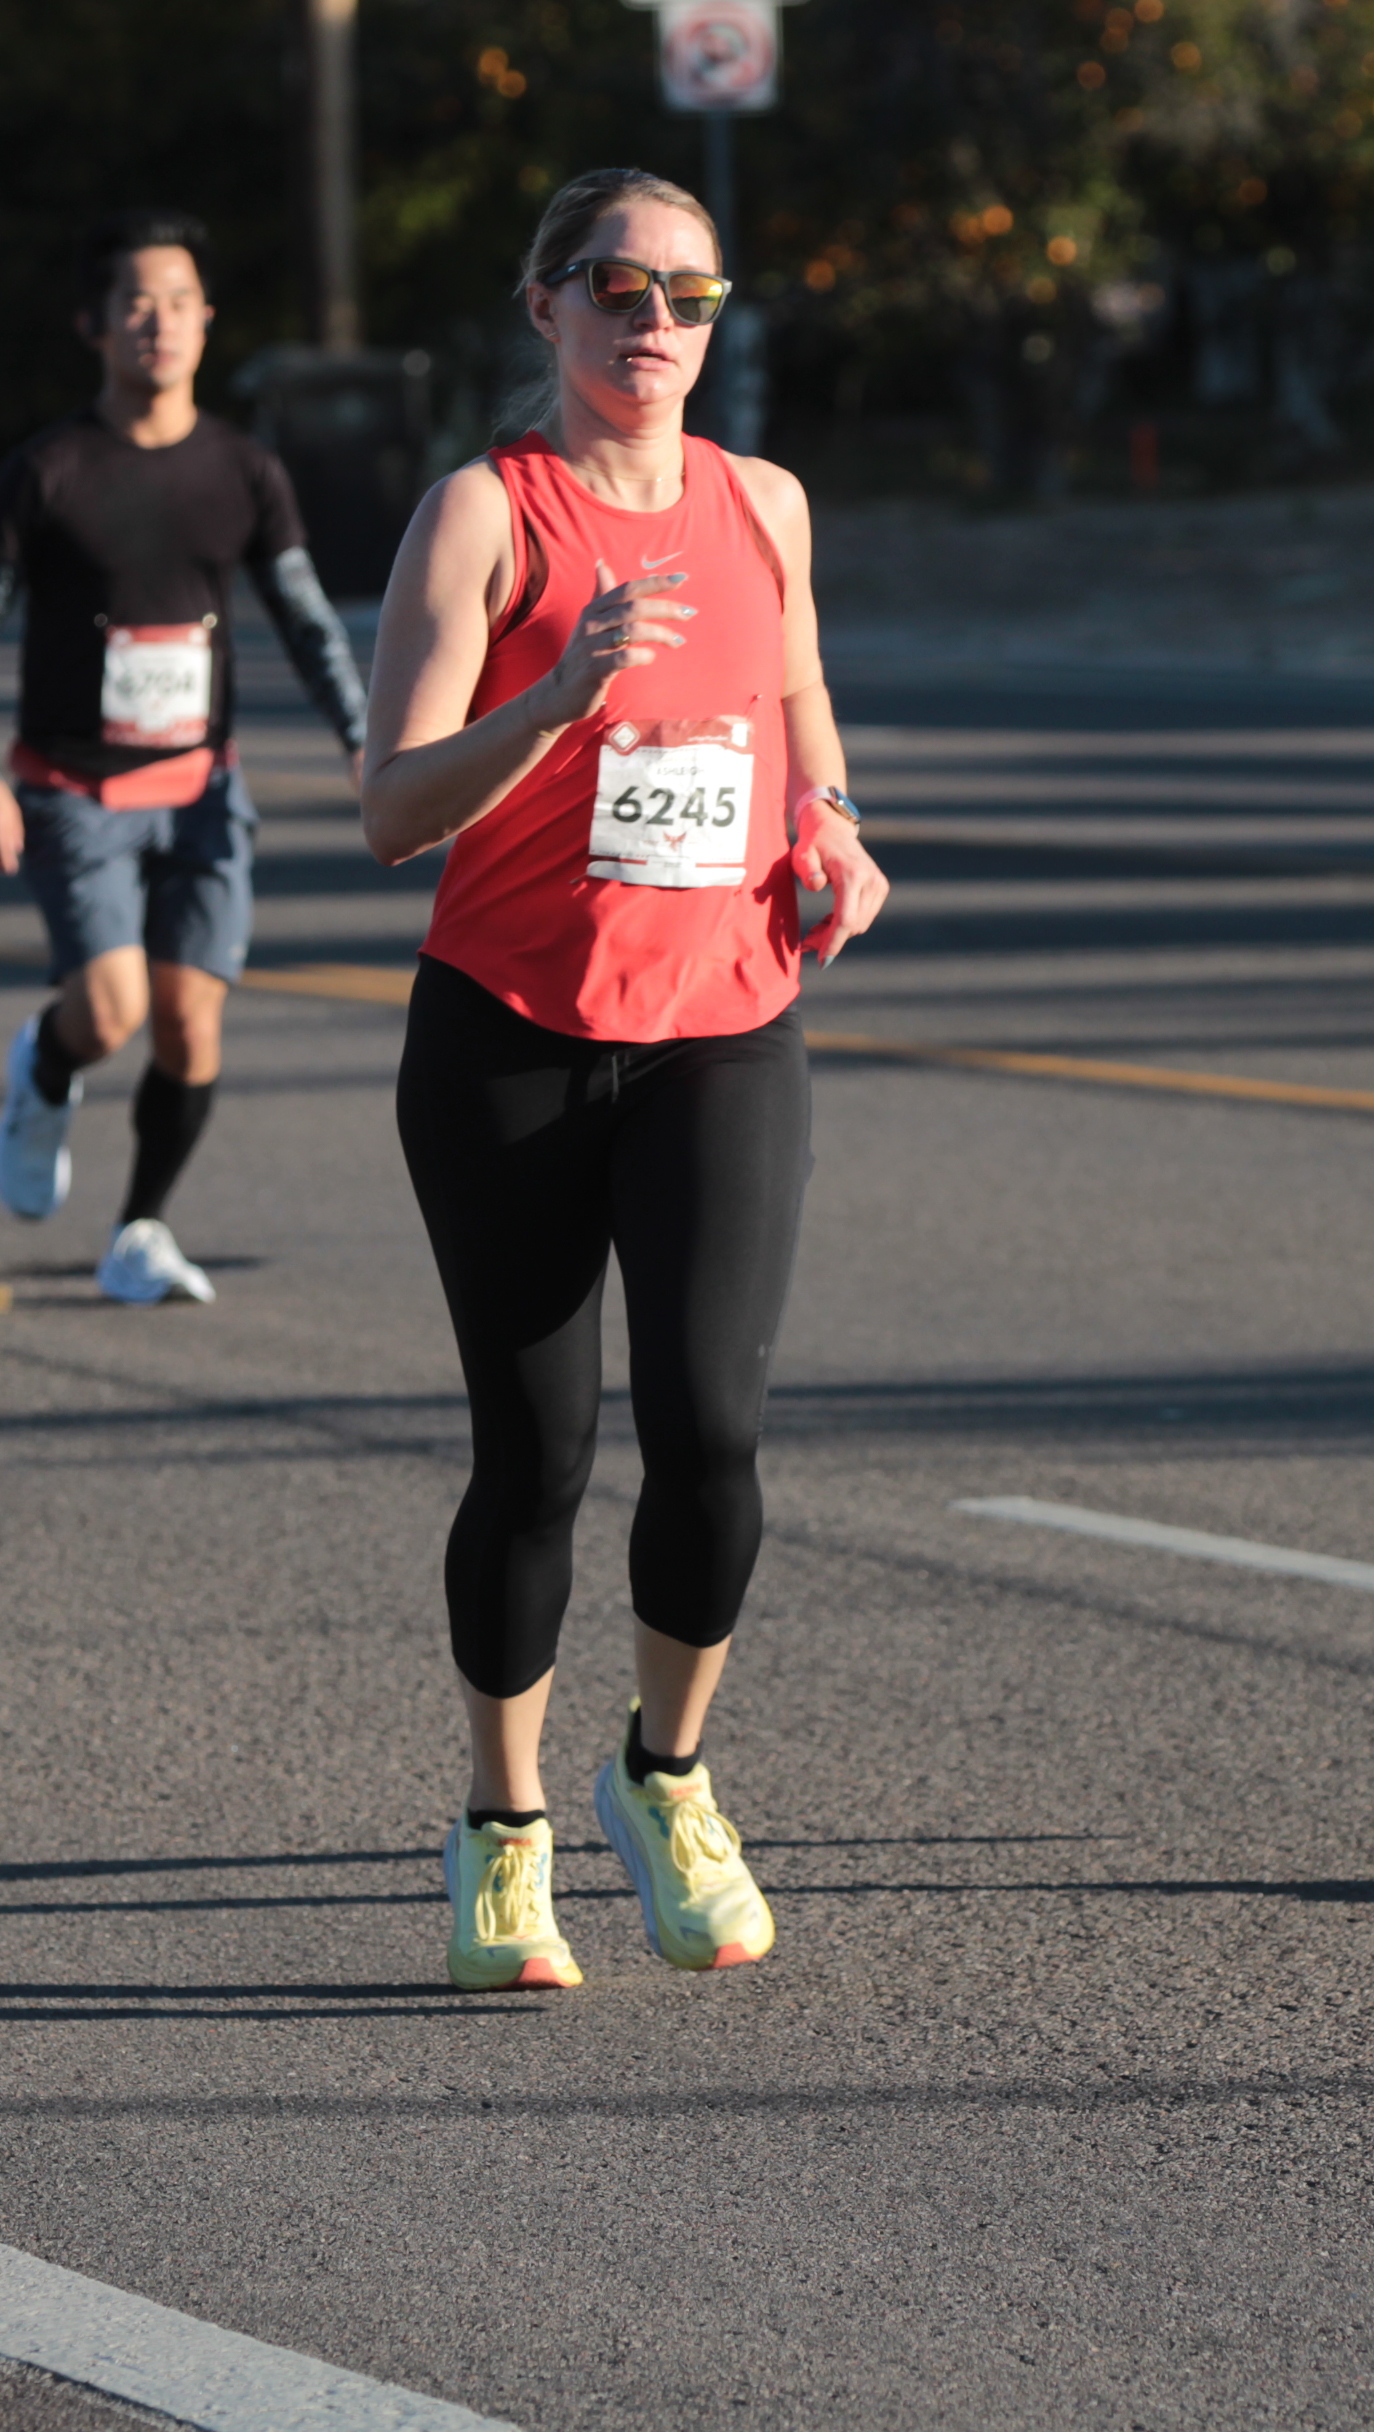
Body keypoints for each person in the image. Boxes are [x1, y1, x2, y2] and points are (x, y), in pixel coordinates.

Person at [361, 169, 889, 1989]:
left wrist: (832, 821)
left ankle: (663, 1775)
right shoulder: (483, 514)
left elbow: (795, 701)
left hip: (721, 1028)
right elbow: (389, 808)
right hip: (507, 1034)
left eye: (688, 292)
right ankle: (500, 1825)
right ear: (544, 306)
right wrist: (554, 700)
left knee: (712, 1433)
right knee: (536, 1454)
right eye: (615, 285)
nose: (653, 320)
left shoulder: (763, 503)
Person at [0, 210, 370, 1305]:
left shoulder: (243, 468)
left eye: (180, 301)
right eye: (136, 303)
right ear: (94, 324)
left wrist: (364, 738)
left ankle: (141, 1229)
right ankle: (48, 1064)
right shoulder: (47, 470)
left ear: (208, 320)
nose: (160, 322)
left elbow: (305, 617)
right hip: (73, 791)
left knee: (190, 1019)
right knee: (110, 1012)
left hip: (201, 790)